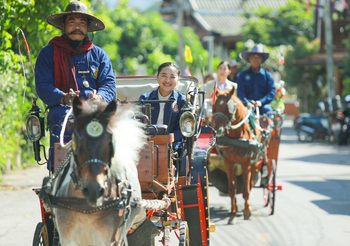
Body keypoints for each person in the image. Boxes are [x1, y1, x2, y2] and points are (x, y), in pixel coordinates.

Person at [35, 0, 116, 171]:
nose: (77, 26)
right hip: (64, 108)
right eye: (72, 22)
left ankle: (107, 172)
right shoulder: (48, 53)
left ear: (87, 28)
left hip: (95, 108)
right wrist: (63, 97)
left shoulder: (99, 55)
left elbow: (109, 84)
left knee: (112, 123)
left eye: (82, 22)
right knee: (61, 117)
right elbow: (43, 85)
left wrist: (99, 97)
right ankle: (59, 171)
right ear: (63, 26)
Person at [139, 62, 187, 174]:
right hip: (147, 142)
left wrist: (168, 140)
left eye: (172, 77)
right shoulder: (145, 98)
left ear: (178, 79)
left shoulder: (182, 101)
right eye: (164, 75)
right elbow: (139, 123)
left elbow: (183, 128)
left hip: (172, 144)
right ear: (157, 77)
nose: (167, 80)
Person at [237, 44, 276, 114]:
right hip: (247, 106)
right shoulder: (242, 75)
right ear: (249, 59)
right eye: (253, 57)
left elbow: (271, 93)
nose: (255, 59)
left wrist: (261, 102)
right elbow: (240, 93)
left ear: (262, 60)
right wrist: (247, 102)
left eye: (258, 57)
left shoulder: (268, 76)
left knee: (268, 111)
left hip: (263, 107)